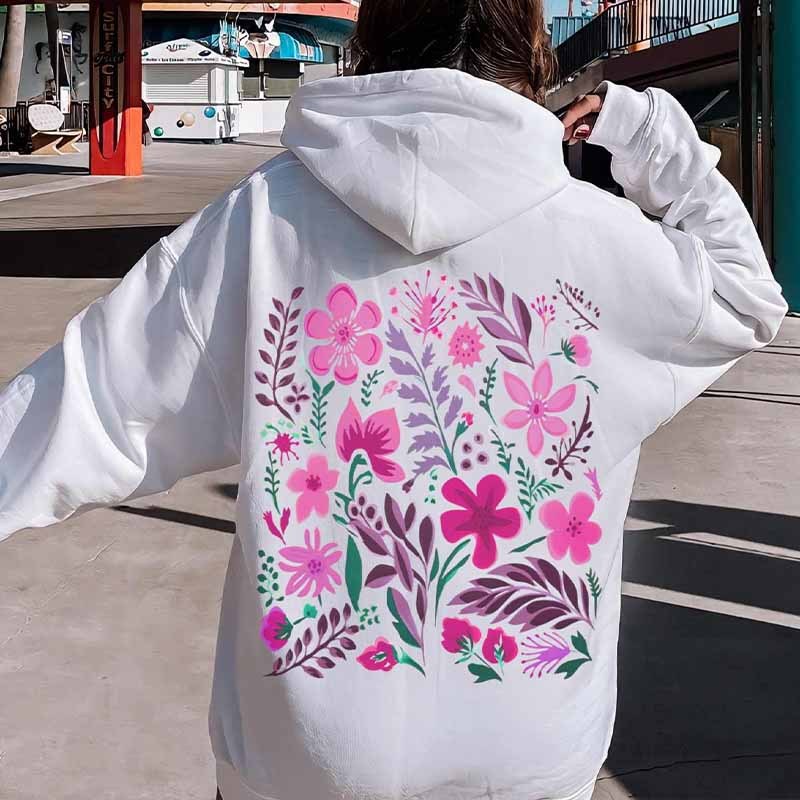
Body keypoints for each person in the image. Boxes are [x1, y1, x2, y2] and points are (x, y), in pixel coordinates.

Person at [0, 1, 788, 798]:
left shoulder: (262, 221)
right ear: (531, 44)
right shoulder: (600, 235)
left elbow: (87, 405)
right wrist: (648, 134)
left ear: (373, 37)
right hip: (529, 738)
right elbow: (746, 296)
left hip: (301, 750)